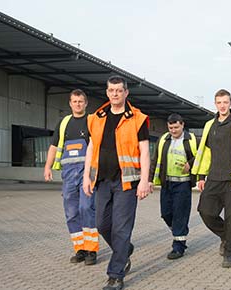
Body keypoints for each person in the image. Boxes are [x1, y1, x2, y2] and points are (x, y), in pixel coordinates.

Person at [83, 75, 150, 290]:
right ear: (107, 92)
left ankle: (116, 274)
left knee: (121, 228)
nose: (115, 94)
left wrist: (145, 181)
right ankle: (124, 249)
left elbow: (145, 152)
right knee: (102, 224)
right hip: (102, 180)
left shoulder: (137, 119)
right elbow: (91, 149)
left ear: (126, 92)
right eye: (111, 90)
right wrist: (87, 176)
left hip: (127, 182)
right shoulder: (97, 117)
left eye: (119, 90)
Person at [191, 89, 231, 268]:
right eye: (219, 102)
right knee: (205, 211)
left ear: (230, 103)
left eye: (225, 102)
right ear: (215, 104)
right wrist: (201, 175)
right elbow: (205, 152)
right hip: (214, 177)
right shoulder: (210, 125)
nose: (222, 106)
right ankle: (227, 236)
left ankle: (230, 252)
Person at [44, 89, 99, 265]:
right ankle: (80, 249)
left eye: (81, 101)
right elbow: (53, 146)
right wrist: (47, 166)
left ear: (86, 103)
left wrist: (93, 174)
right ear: (70, 103)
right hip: (68, 174)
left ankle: (91, 250)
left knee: (86, 208)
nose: (78, 104)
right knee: (71, 212)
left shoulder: (91, 121)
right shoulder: (63, 123)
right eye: (74, 101)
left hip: (87, 172)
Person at [148, 113, 197, 260]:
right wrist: (150, 180)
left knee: (180, 215)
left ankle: (179, 247)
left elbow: (203, 155)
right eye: (171, 128)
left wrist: (191, 163)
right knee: (166, 213)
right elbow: (155, 158)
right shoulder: (163, 140)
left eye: (176, 127)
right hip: (167, 183)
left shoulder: (192, 140)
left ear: (182, 125)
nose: (173, 130)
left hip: (183, 184)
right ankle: (179, 231)